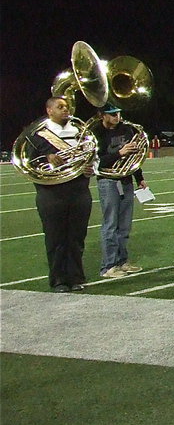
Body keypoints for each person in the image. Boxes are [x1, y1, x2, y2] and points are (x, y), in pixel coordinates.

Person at [18, 97, 94, 291]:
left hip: (79, 191)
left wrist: (90, 168)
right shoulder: (36, 135)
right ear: (49, 110)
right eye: (60, 107)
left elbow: (92, 156)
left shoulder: (79, 132)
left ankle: (76, 277)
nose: (65, 109)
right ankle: (59, 279)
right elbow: (26, 162)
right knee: (55, 238)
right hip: (51, 194)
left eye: (66, 107)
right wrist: (47, 158)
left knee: (77, 236)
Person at [94, 102, 147, 278]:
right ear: (102, 115)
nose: (116, 117)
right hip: (108, 180)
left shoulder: (127, 129)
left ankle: (122, 262)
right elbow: (96, 162)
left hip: (125, 180)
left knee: (124, 225)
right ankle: (108, 266)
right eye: (111, 114)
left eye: (117, 113)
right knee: (110, 224)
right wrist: (119, 153)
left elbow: (134, 158)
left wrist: (139, 178)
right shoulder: (96, 133)